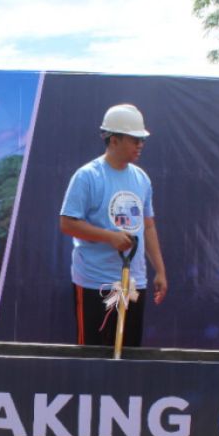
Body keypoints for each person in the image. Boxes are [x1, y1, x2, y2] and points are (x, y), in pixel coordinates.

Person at [59, 104, 168, 347]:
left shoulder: (141, 178)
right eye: (134, 139)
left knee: (128, 355)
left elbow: (148, 226)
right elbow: (67, 223)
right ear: (114, 140)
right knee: (92, 356)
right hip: (95, 282)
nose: (140, 144)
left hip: (133, 283)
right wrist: (110, 237)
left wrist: (159, 270)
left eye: (142, 139)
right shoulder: (88, 176)